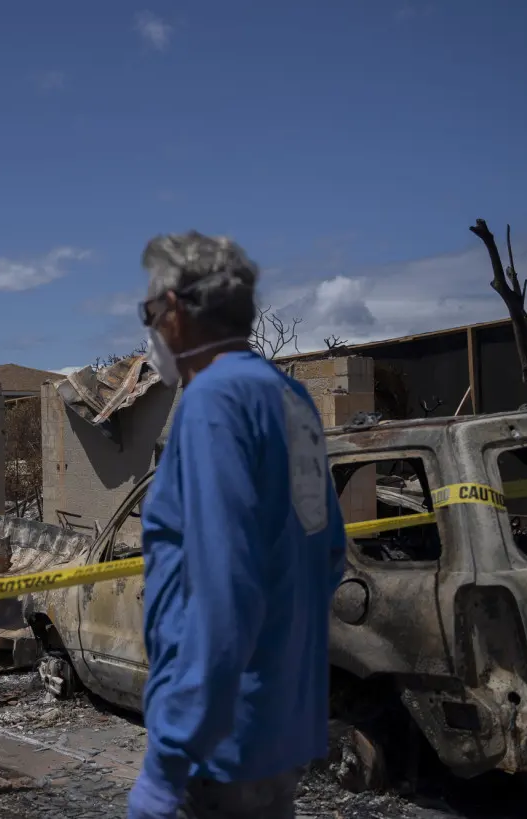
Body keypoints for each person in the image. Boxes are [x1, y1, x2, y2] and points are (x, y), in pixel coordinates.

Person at [127, 232, 347, 819]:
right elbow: (328, 556)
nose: (151, 329)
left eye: (150, 312)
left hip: (220, 745)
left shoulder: (211, 404)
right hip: (282, 726)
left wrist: (170, 758)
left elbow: (223, 594)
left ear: (175, 311)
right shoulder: (289, 397)